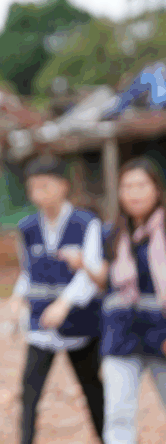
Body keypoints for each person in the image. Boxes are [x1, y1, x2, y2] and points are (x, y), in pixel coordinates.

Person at [8, 155, 104, 444]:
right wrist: (17, 298)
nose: (39, 193)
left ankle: (107, 438)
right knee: (30, 391)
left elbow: (91, 272)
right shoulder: (27, 227)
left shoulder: (86, 223)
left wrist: (65, 303)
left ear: (63, 186)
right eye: (33, 187)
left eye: (45, 186)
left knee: (91, 387)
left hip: (80, 322)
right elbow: (27, 271)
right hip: (40, 323)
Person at [72, 156, 166, 444]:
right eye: (127, 187)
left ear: (157, 190)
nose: (134, 193)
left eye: (141, 185)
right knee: (118, 417)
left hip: (162, 334)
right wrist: (85, 266)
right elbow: (106, 281)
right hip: (121, 334)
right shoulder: (111, 234)